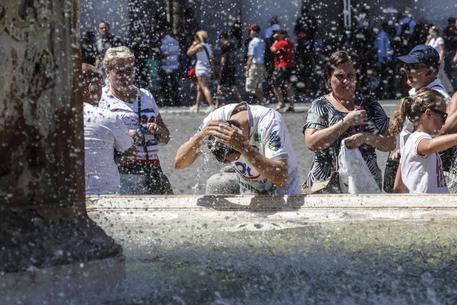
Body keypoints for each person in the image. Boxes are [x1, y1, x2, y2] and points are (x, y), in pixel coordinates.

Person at [303, 51, 395, 192]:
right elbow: (311, 142)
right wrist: (346, 122)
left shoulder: (369, 104)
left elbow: (390, 143)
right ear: (329, 78)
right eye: (340, 76)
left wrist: (366, 138)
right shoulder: (320, 105)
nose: (346, 81)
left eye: (350, 76)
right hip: (326, 184)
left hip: (365, 181)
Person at [174, 102, 301, 195]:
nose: (234, 162)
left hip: (285, 194)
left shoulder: (269, 121)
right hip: (251, 190)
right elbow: (179, 163)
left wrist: (244, 148)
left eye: (236, 157)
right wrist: (200, 136)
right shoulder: (215, 120)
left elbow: (281, 177)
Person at [98, 46, 173, 195]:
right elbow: (95, 138)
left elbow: (167, 137)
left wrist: (158, 130)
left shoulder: (145, 95)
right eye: (119, 72)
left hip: (152, 172)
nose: (125, 76)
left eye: (129, 71)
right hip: (121, 174)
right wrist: (124, 135)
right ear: (107, 71)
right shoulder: (101, 98)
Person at [390, 44, 452, 192]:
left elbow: (441, 131)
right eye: (406, 66)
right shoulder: (416, 92)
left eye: (414, 66)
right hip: (411, 161)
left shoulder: (439, 99)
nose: (407, 70)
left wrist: (412, 148)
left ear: (431, 71)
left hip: (424, 167)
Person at [388, 88, 457, 193]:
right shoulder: (419, 139)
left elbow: (398, 186)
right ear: (428, 114)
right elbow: (429, 146)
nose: (444, 122)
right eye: (443, 116)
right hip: (428, 205)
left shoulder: (410, 142)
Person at [81, 63, 134, 195]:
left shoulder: (58, 116)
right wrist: (133, 137)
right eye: (100, 86)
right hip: (105, 193)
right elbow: (130, 153)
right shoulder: (109, 117)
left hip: (68, 195)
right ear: (91, 88)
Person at [187, 30, 214, 112]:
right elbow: (212, 58)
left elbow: (189, 53)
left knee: (204, 87)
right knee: (200, 88)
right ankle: (197, 106)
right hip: (207, 68)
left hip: (201, 68)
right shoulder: (208, 46)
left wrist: (193, 45)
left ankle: (211, 105)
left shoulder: (200, 46)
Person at [215, 32, 242, 109]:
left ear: (223, 38)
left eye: (220, 39)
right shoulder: (232, 45)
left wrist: (222, 67)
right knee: (232, 85)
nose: (220, 40)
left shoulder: (224, 46)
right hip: (232, 67)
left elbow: (223, 58)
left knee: (220, 86)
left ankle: (217, 104)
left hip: (225, 68)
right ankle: (241, 100)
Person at [271, 30, 296, 112]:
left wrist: (275, 41)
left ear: (282, 35)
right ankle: (291, 105)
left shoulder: (281, 42)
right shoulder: (289, 42)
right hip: (289, 66)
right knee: (288, 85)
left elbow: (272, 49)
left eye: (278, 34)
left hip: (282, 67)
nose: (276, 35)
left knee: (274, 84)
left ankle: (281, 102)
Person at [426, 25, 453, 93]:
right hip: (432, 60)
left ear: (435, 32)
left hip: (438, 59)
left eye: (432, 31)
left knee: (438, 74)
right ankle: (447, 88)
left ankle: (446, 89)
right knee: (440, 75)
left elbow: (442, 50)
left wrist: (440, 60)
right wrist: (428, 39)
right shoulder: (431, 39)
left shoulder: (439, 39)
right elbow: (426, 47)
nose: (430, 33)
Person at [159, 23, 181, 106]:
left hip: (166, 66)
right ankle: (176, 100)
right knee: (174, 84)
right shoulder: (175, 41)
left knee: (165, 85)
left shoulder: (164, 41)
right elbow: (178, 54)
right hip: (175, 65)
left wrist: (159, 55)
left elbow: (164, 54)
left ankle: (167, 101)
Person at [245, 24, 266, 104]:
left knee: (249, 87)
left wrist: (247, 68)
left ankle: (262, 100)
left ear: (253, 32)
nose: (250, 32)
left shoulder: (252, 42)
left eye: (250, 31)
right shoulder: (262, 41)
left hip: (254, 65)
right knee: (258, 85)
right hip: (261, 65)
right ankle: (260, 101)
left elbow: (251, 56)